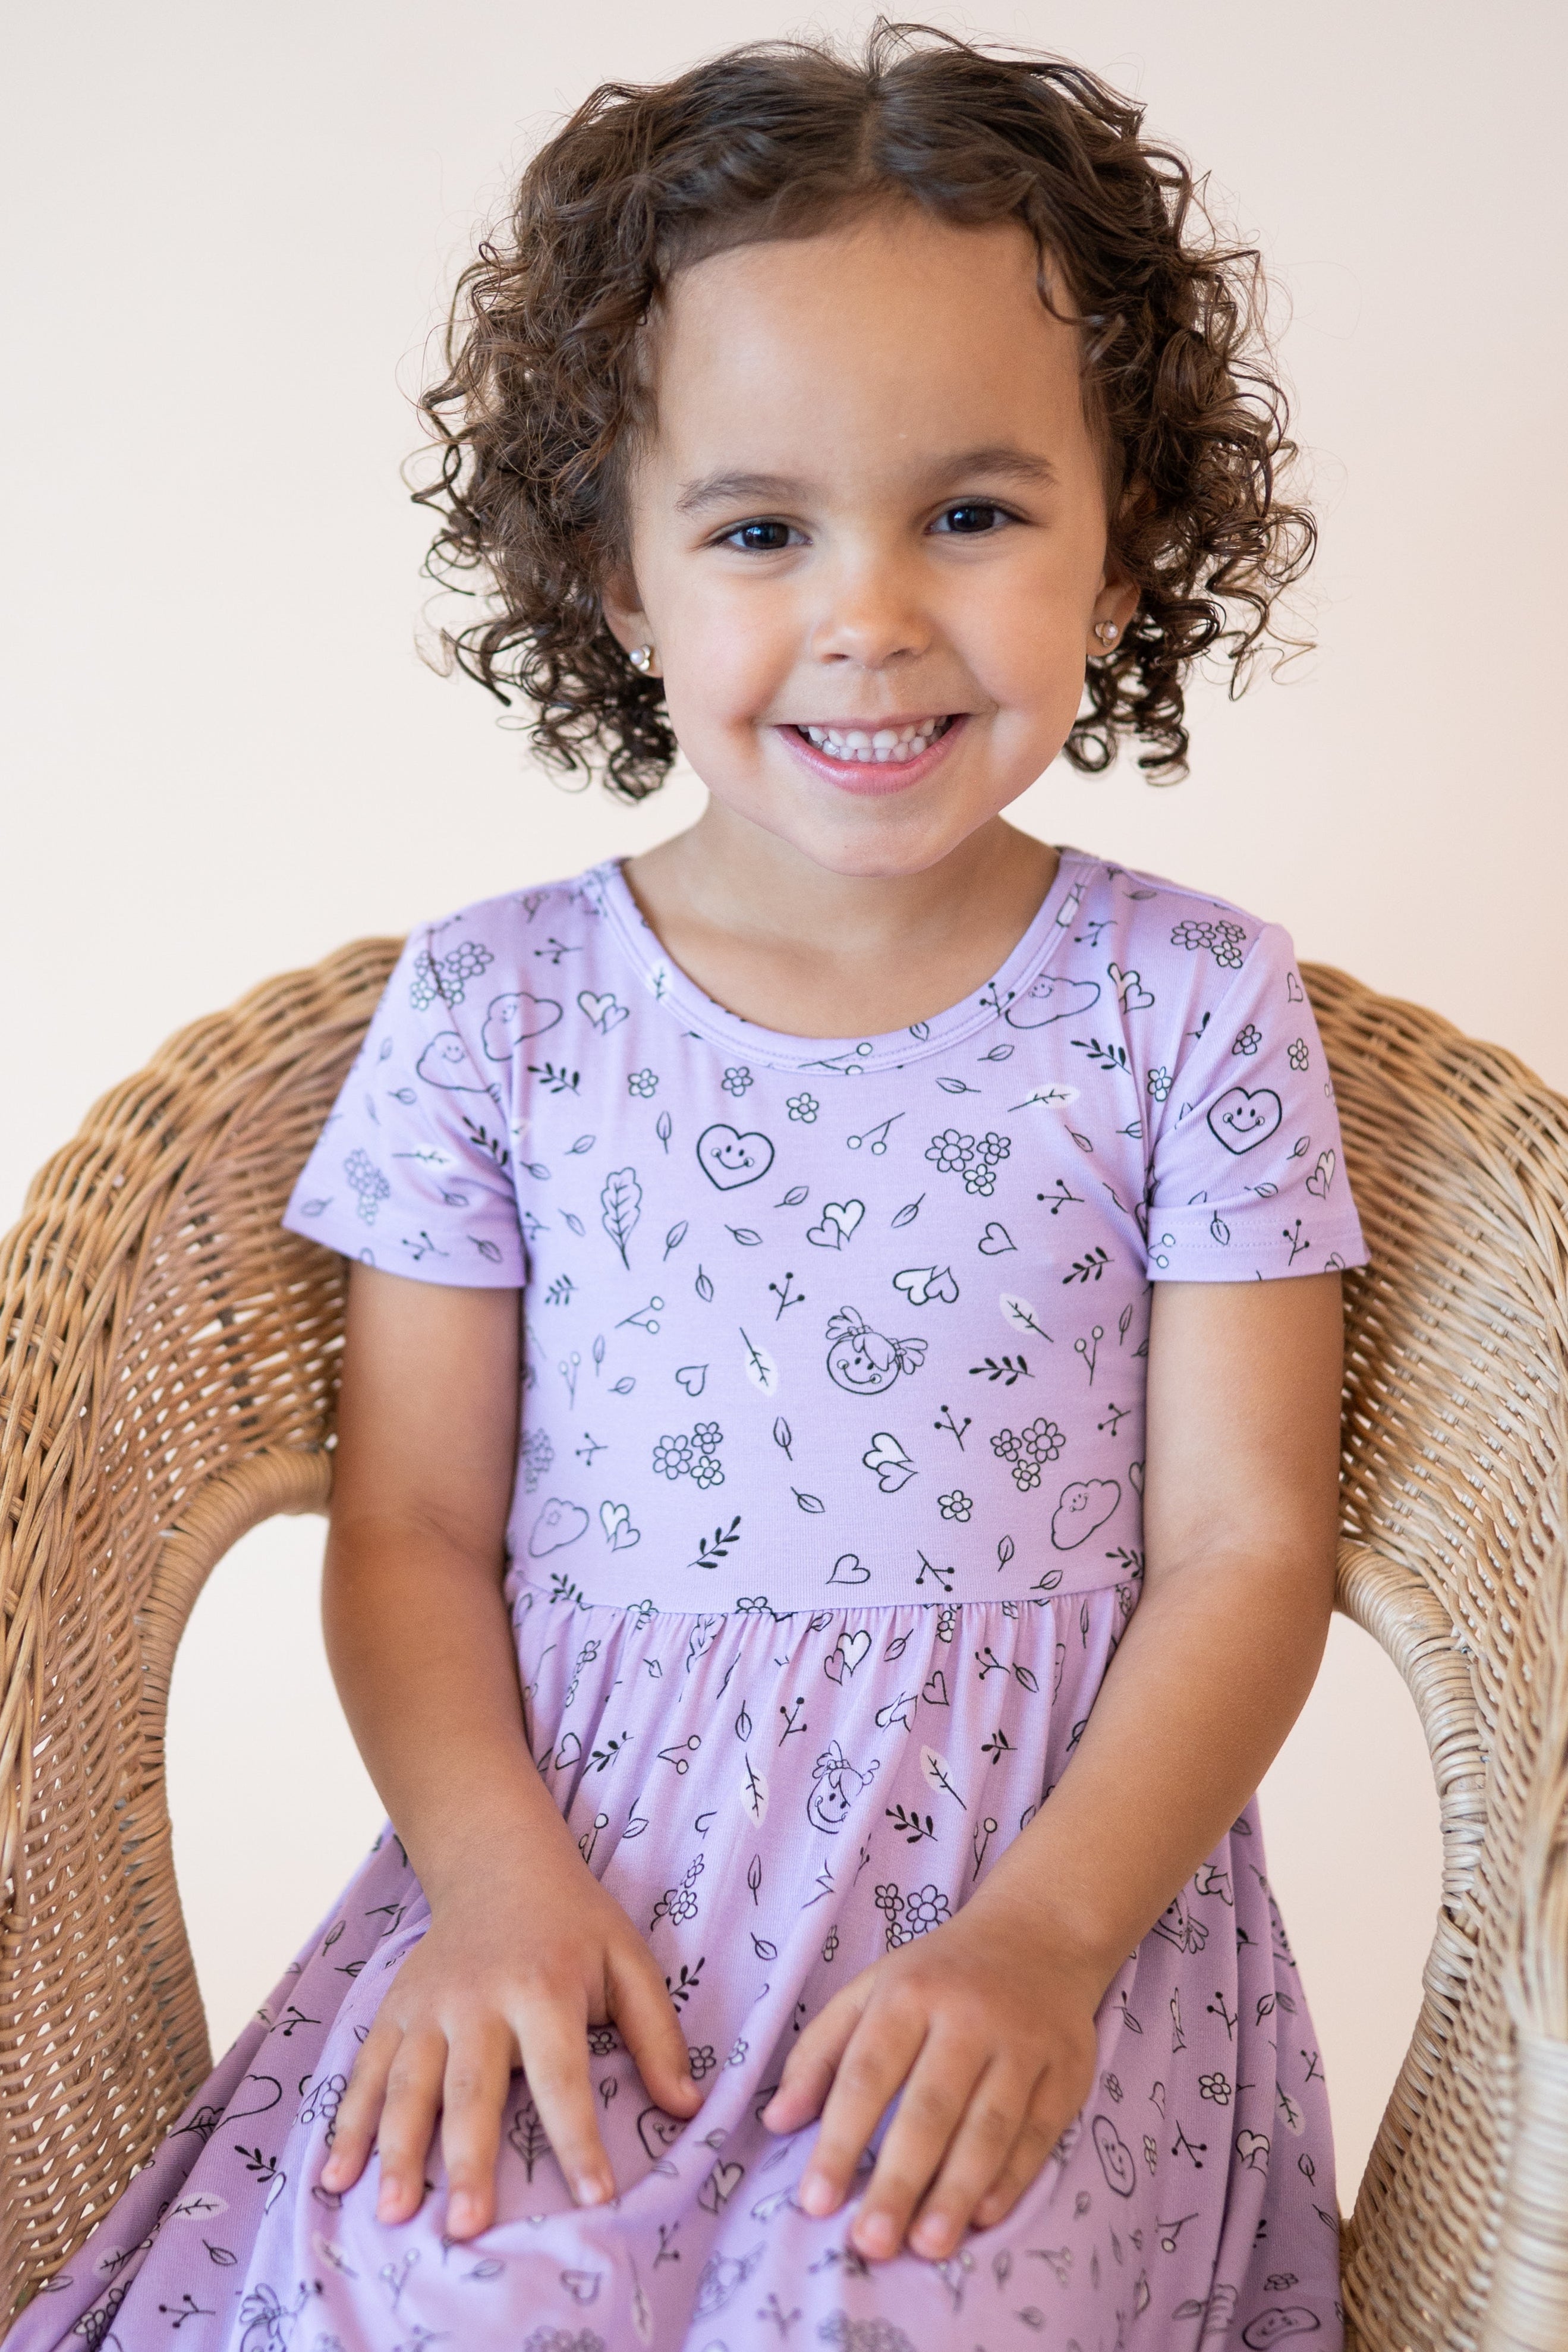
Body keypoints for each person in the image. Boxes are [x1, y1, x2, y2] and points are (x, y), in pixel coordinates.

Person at [8, 26, 1369, 2350]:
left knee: (903, 2304)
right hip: (570, 1898)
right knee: (443, 2282)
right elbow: (409, 1523)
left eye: (972, 512)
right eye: (759, 530)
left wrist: (1047, 1940)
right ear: (616, 577)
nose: (871, 613)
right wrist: (489, 1889)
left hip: (1020, 1925)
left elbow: (1248, 1546)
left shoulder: (1189, 1007)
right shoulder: (498, 1007)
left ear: (1123, 534)